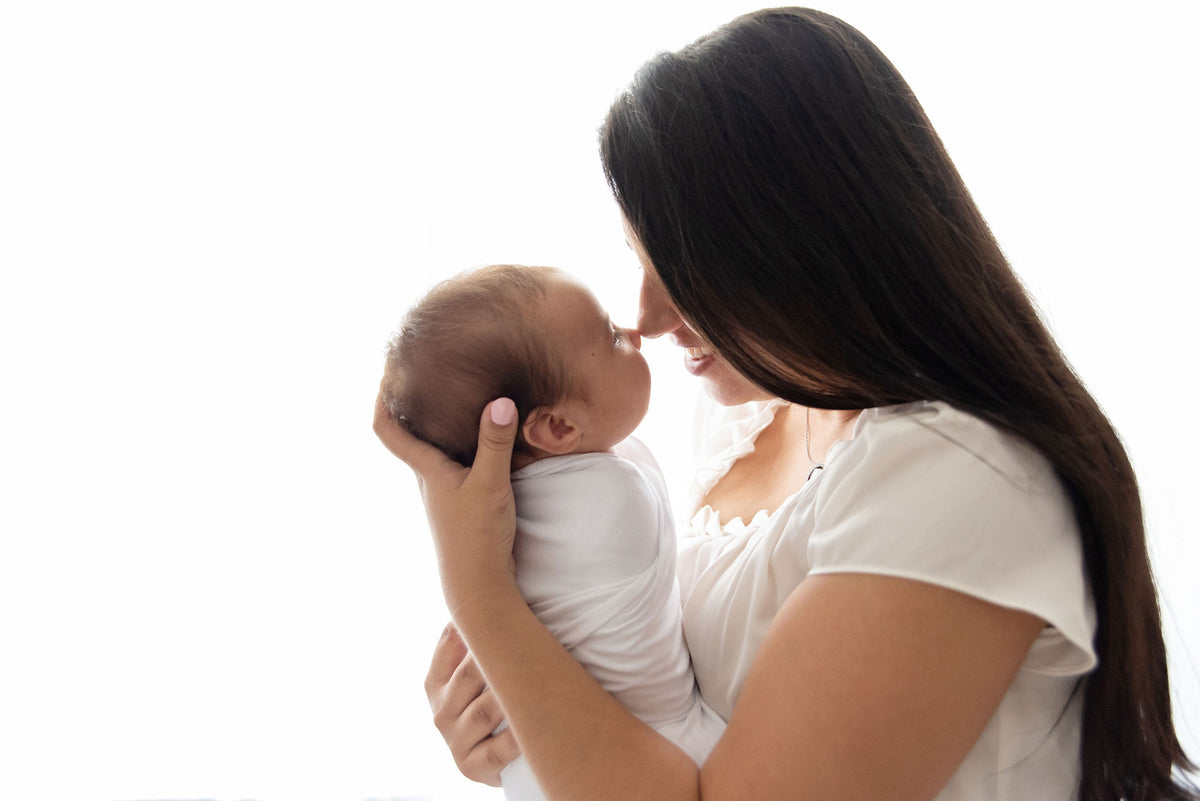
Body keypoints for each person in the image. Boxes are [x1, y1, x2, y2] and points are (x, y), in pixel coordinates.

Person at [375, 8, 1198, 801]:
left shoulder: (959, 474)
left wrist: (481, 597)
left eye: (683, 265)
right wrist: (509, 724)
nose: (651, 317)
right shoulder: (742, 423)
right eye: (636, 255)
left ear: (798, 245)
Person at [380, 264, 724, 800]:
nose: (636, 331)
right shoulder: (615, 500)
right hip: (657, 753)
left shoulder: (487, 520)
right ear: (558, 428)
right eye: (611, 338)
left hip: (537, 761)